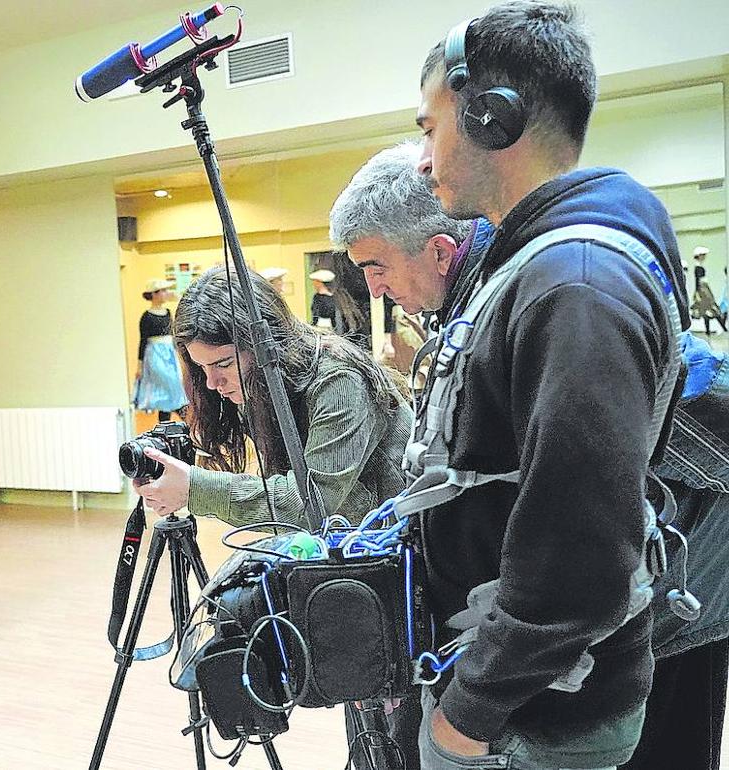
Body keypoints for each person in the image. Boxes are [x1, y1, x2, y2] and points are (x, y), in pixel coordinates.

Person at [332, 139, 729, 770]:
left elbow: (590, 520)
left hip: (667, 604)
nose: (375, 288)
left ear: (438, 250)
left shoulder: (567, 294)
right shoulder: (486, 297)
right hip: (601, 624)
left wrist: (473, 708)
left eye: (377, 267)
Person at [403, 3, 688, 767]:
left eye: (430, 128)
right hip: (515, 693)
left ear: (491, 118)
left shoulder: (577, 285)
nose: (423, 159)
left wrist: (470, 712)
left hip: (532, 716)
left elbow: (582, 547)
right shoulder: (532, 266)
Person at [131, 266, 412, 532]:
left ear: (265, 344)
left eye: (224, 363)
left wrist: (195, 488)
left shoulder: (338, 381)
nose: (212, 383)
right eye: (202, 367)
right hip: (346, 547)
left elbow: (309, 505)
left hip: (397, 551)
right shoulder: (259, 384)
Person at [134, 278, 189, 422]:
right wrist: (139, 366)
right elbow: (143, 340)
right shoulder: (146, 317)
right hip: (155, 355)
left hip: (170, 354)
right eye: (162, 291)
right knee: (167, 386)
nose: (165, 293)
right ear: (154, 294)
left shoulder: (168, 312)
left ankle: (180, 419)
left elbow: (172, 334)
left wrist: (179, 356)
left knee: (176, 384)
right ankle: (168, 421)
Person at [691, 246, 727, 334]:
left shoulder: (699, 266)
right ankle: (724, 329)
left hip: (703, 290)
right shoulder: (698, 267)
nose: (704, 257)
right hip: (703, 291)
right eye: (703, 255)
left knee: (707, 311)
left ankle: (712, 330)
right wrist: (699, 293)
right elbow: (698, 282)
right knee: (712, 309)